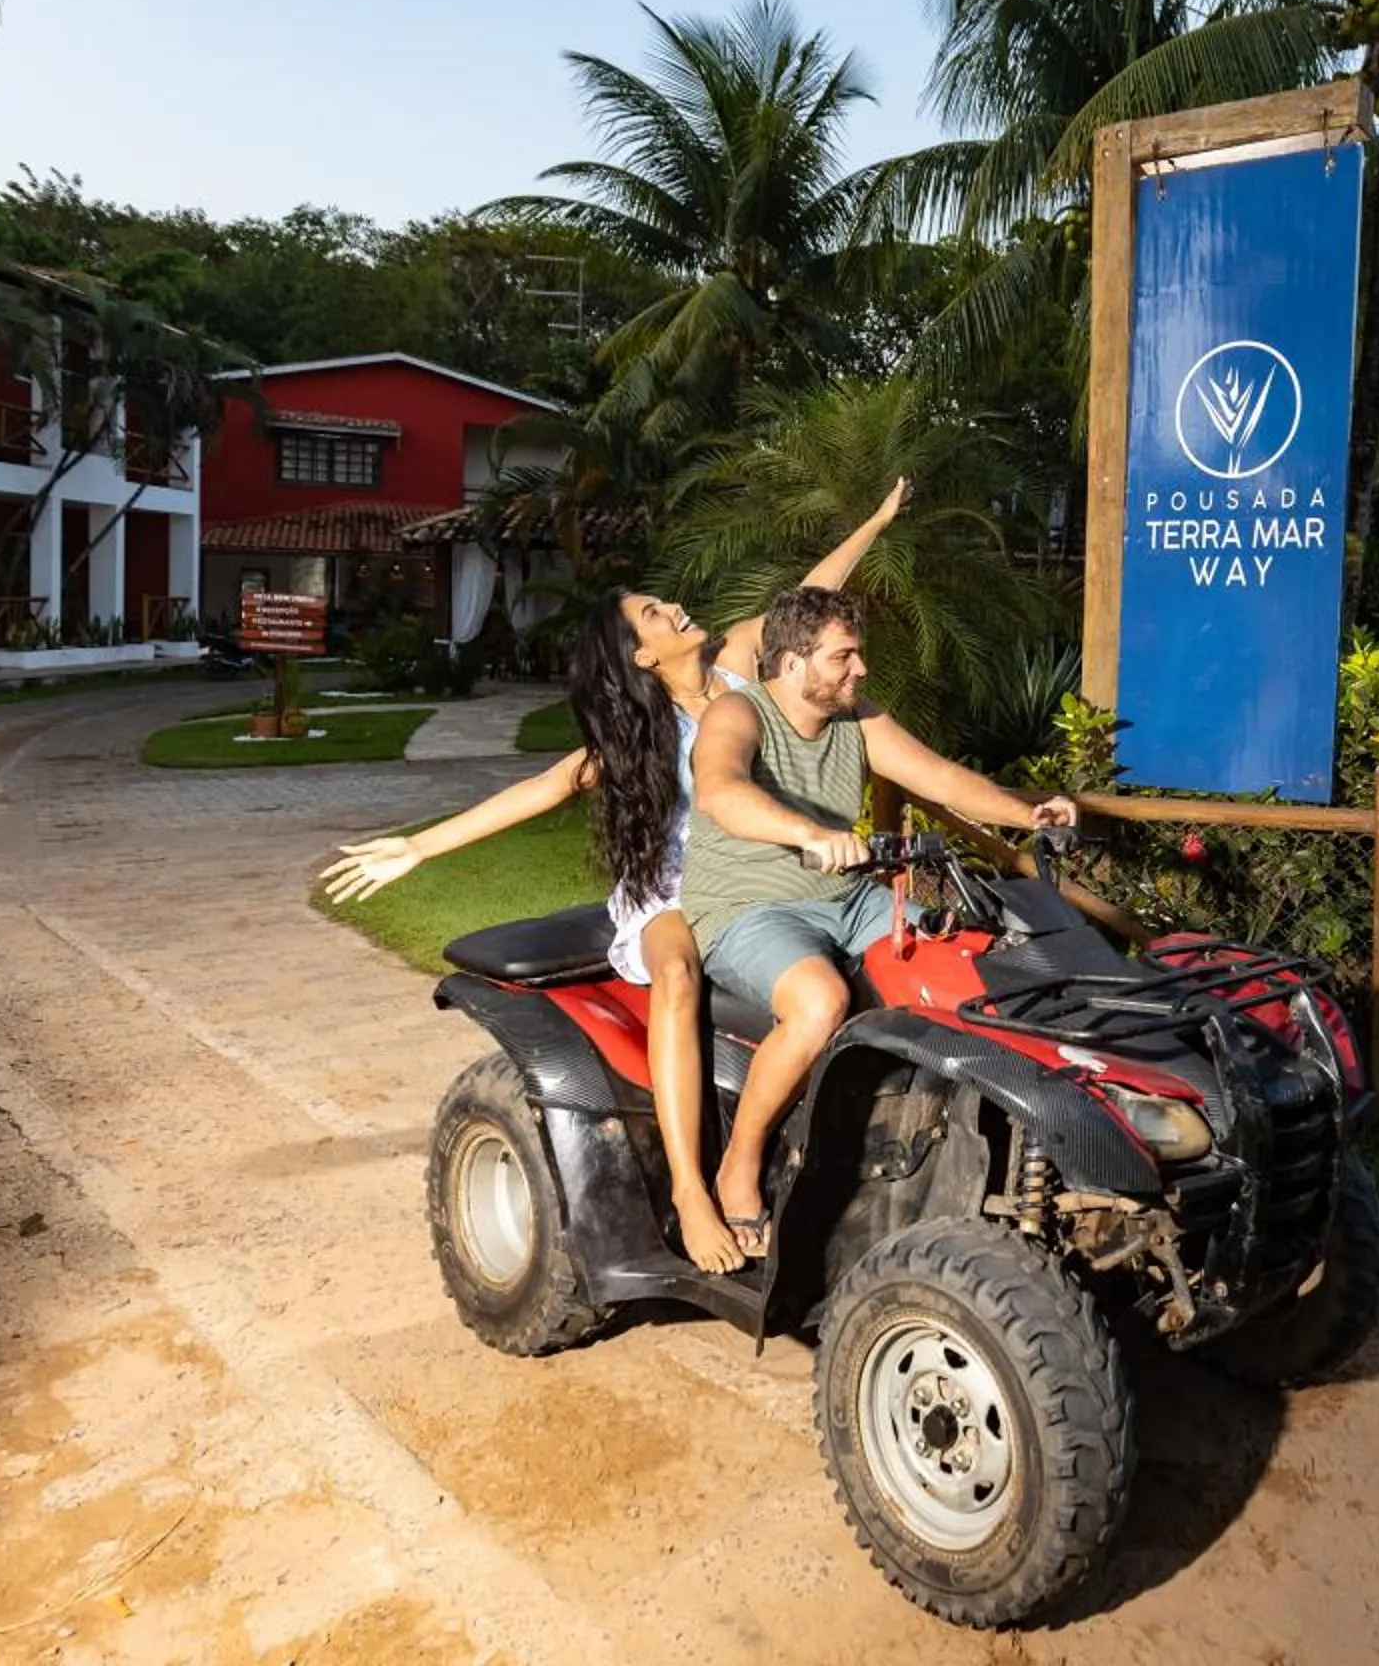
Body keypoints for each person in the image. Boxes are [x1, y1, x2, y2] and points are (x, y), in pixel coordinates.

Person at [321, 482, 909, 1273]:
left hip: (762, 875)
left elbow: (813, 598)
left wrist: (871, 522)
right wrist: (419, 848)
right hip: (673, 886)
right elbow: (545, 788)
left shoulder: (743, 673)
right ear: (641, 655)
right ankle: (695, 1194)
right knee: (675, 972)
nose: (674, 610)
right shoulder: (648, 734)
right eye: (654, 616)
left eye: (666, 603)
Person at [683, 586, 1077, 1258]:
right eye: (844, 656)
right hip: (746, 908)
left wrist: (1026, 814)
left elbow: (941, 778)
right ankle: (738, 1168)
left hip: (849, 899)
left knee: (976, 963)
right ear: (793, 666)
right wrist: (807, 831)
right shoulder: (738, 711)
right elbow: (722, 790)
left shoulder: (854, 718)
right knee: (818, 1002)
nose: (859, 669)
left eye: (857, 654)